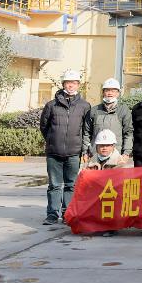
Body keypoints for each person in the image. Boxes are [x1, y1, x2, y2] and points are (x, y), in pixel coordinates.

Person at [39, 69, 90, 225]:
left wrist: (83, 149)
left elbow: (86, 130)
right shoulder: (51, 105)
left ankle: (68, 213)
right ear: (63, 84)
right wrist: (52, 140)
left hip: (74, 153)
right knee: (54, 185)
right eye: (68, 83)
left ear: (78, 85)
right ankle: (52, 214)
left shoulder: (84, 106)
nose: (71, 86)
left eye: (74, 83)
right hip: (54, 152)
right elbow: (44, 126)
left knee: (71, 185)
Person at [81, 77, 133, 165]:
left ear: (118, 93)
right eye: (107, 90)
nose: (110, 93)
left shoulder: (123, 111)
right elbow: (87, 133)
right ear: (103, 92)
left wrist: (126, 153)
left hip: (116, 156)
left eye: (113, 91)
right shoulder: (94, 111)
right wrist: (85, 152)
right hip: (95, 156)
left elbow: (128, 133)